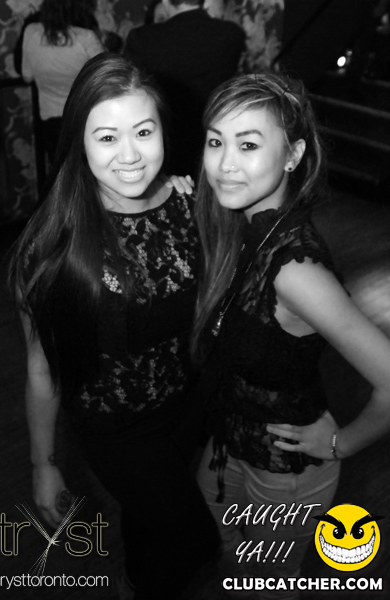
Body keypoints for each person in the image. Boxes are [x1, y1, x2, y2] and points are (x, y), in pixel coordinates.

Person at [9, 52, 219, 600]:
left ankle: (133, 582)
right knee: (197, 541)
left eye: (143, 132)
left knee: (149, 519)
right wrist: (43, 464)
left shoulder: (190, 202)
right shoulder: (51, 246)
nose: (130, 155)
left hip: (187, 407)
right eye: (107, 137)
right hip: (115, 428)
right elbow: (41, 368)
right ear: (79, 141)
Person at [191, 73, 390, 598]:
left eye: (248, 145)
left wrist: (340, 443)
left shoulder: (295, 271)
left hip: (287, 473)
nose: (224, 163)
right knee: (226, 555)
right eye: (215, 141)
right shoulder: (242, 225)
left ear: (293, 154)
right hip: (231, 441)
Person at [125, 0, 245, 178]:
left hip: (163, 150)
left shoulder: (142, 38)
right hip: (214, 144)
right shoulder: (231, 34)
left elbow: (129, 96)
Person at [21, 0, 104, 168]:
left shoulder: (31, 33)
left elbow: (27, 76)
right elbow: (106, 77)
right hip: (84, 118)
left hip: (50, 121)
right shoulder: (86, 38)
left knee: (61, 174)